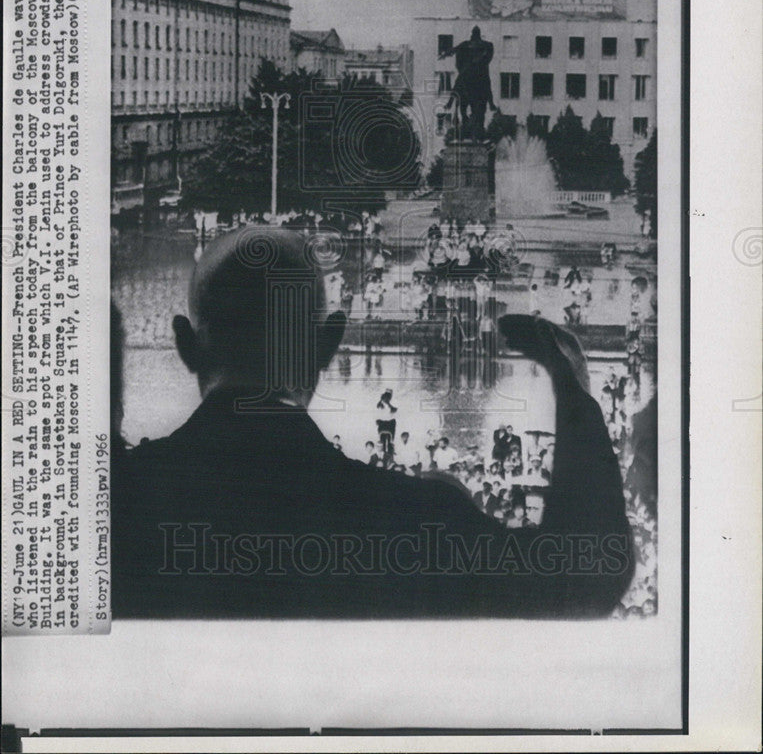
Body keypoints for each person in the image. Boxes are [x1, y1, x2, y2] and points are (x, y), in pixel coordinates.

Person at [112, 229, 633, 618]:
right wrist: (573, 386)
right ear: (328, 343)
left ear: (184, 343)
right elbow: (584, 579)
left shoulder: (114, 504)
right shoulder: (413, 518)